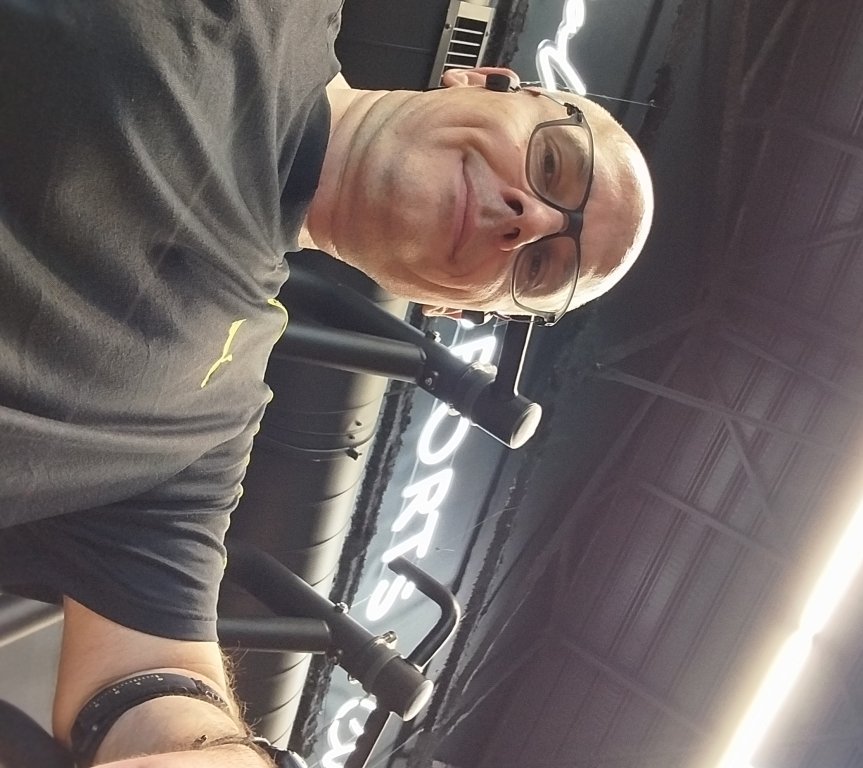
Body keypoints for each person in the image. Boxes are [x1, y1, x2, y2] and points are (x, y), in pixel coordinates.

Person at [0, 2, 653, 766]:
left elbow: (146, 675)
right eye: (552, 168)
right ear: (482, 79)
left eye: (539, 266)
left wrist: (223, 752)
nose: (529, 218)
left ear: (453, 308)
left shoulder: (201, 434)